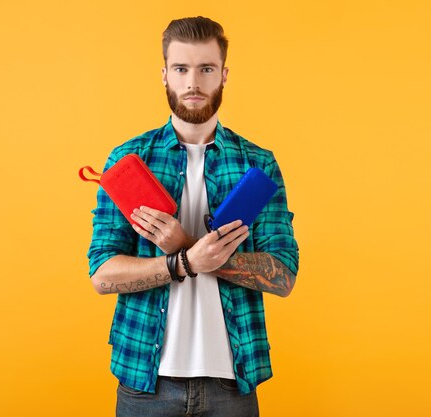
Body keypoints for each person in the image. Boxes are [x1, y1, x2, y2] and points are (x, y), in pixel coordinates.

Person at [86, 16, 299, 417]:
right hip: (145, 382)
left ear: (224, 74)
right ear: (164, 74)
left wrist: (186, 246)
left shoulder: (258, 164)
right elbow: (102, 274)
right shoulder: (129, 161)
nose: (193, 83)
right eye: (182, 69)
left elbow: (284, 275)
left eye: (206, 69)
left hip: (231, 384)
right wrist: (183, 262)